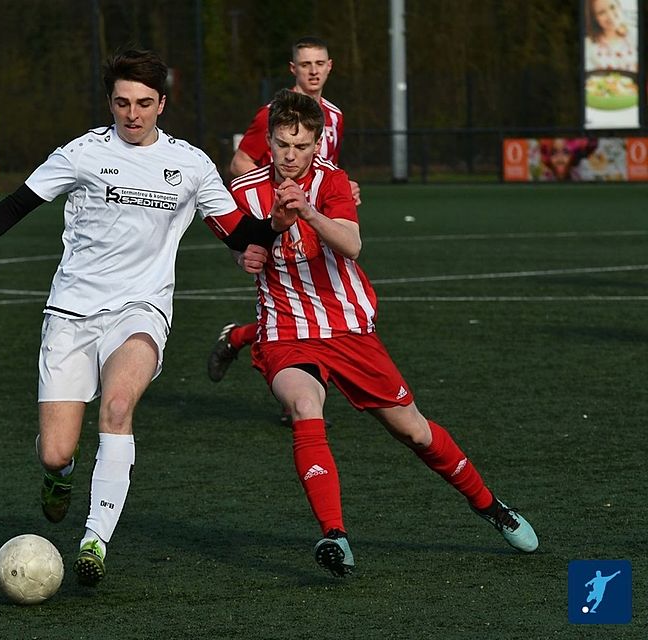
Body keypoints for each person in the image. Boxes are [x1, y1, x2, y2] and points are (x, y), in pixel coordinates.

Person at [0, 49, 295, 587]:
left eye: (144, 103)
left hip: (141, 311)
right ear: (110, 103)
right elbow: (16, 206)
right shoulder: (82, 153)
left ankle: (95, 540)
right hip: (71, 313)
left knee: (118, 406)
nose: (133, 114)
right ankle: (60, 477)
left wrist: (276, 224)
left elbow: (240, 233)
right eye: (122, 102)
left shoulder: (190, 164)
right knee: (55, 451)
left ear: (162, 103)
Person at [229, 88, 538, 576]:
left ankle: (491, 507)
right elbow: (243, 248)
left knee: (414, 431)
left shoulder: (332, 182)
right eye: (282, 145)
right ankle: (334, 535)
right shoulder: (244, 191)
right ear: (268, 142)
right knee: (305, 406)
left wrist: (307, 212)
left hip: (350, 330)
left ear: (316, 145)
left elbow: (351, 245)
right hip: (286, 330)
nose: (290, 156)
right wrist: (250, 251)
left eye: (301, 146)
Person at [210, 36, 359, 388]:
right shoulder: (273, 113)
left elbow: (323, 169)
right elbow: (240, 162)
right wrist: (269, 200)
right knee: (291, 305)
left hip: (313, 216)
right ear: (293, 68)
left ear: (329, 67)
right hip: (279, 220)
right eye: (305, 64)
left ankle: (242, 339)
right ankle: (298, 391)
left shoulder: (334, 116)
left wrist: (341, 192)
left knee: (325, 301)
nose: (313, 71)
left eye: (319, 64)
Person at [585, 0, 637, 72]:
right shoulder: (588, 44)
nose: (610, 16)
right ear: (594, 18)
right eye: (601, 12)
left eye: (612, 7)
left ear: (619, 7)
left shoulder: (634, 34)